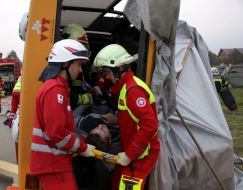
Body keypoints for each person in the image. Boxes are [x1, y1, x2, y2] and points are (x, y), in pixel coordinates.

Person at [30, 39, 96, 190]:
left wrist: (79, 140)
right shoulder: (55, 89)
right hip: (53, 164)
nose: (80, 71)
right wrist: (83, 147)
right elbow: (57, 132)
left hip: (55, 163)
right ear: (65, 63)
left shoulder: (57, 88)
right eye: (78, 64)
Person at [93, 44, 160, 190]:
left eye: (108, 72)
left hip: (140, 155)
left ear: (120, 68)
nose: (107, 77)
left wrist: (130, 155)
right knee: (116, 183)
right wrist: (116, 120)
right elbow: (135, 118)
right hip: (131, 152)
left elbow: (149, 125)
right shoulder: (126, 87)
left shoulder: (133, 90)